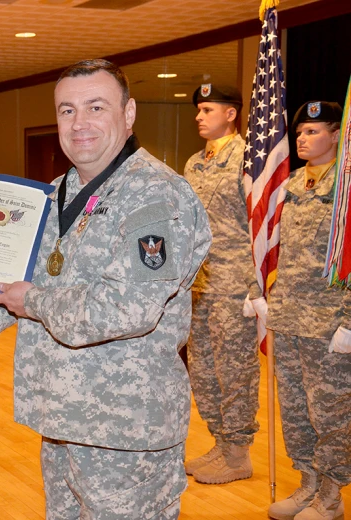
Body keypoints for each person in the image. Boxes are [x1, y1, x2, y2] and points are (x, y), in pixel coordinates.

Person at [0, 59, 212, 519]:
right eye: (67, 110)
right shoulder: (55, 193)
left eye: (96, 106)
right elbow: (17, 284)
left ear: (128, 114)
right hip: (62, 417)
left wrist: (30, 300)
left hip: (126, 431)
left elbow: (127, 308)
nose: (80, 123)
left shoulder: (156, 196)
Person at [267, 100, 350, 520]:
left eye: (314, 131)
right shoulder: (295, 184)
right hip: (290, 319)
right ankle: (308, 486)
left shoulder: (347, 187)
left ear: (337, 135)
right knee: (297, 410)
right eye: (300, 132)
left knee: (331, 412)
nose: (303, 138)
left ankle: (331, 497)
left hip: (328, 323)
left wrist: (350, 321)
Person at [182, 84, 262, 484]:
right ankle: (220, 441)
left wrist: (258, 286)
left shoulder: (250, 159)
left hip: (234, 283)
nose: (199, 115)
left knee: (235, 370)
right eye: (198, 108)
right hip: (199, 283)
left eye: (208, 109)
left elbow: (261, 225)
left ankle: (238, 452)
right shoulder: (195, 162)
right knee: (204, 369)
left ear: (231, 114)